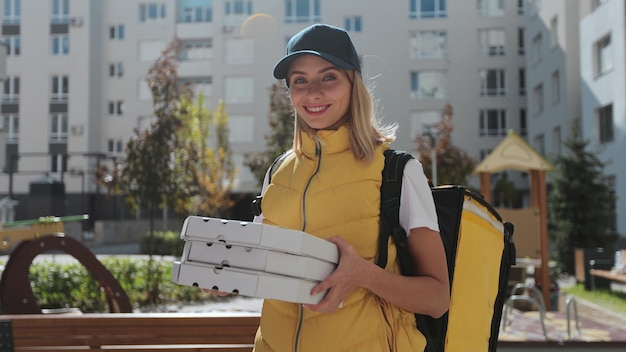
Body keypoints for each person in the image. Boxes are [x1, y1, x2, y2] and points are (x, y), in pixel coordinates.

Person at [254, 23, 449, 352]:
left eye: (328, 77)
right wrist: (224, 274)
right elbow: (266, 271)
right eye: (299, 80)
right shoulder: (277, 173)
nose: (313, 92)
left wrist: (364, 275)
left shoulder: (396, 171)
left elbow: (437, 298)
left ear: (353, 85)